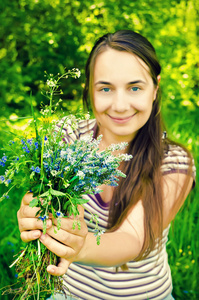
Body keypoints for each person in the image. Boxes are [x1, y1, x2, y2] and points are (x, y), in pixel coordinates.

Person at [17, 30, 196, 300]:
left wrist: (81, 246)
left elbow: (133, 239)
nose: (120, 105)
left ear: (155, 88)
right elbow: (53, 208)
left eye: (135, 87)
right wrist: (34, 215)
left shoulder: (173, 161)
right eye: (105, 88)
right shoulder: (69, 136)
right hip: (68, 294)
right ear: (90, 89)